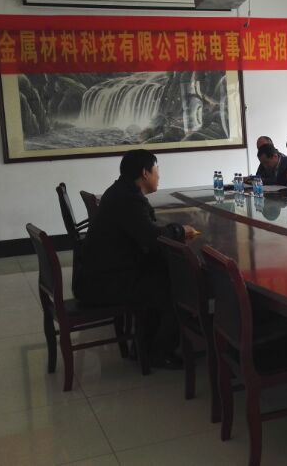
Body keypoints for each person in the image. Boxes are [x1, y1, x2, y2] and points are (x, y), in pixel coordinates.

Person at [74, 149, 196, 369]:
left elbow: (145, 233)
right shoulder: (128, 199)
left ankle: (144, 346)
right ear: (145, 173)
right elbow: (151, 238)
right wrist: (179, 230)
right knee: (176, 286)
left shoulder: (121, 191)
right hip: (102, 283)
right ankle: (158, 352)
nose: (159, 175)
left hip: (100, 274)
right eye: (157, 170)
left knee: (162, 273)